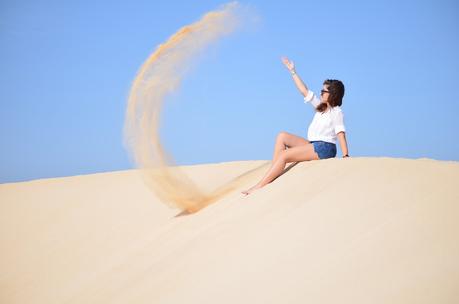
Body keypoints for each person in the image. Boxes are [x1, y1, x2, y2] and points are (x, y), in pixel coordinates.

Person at [241, 57, 350, 196]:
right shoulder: (321, 107)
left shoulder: (336, 112)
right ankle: (273, 172)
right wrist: (293, 71)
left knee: (284, 155)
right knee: (282, 136)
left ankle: (260, 186)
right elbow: (304, 91)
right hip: (314, 145)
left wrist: (346, 155)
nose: (321, 93)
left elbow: (340, 133)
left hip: (325, 148)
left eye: (324, 91)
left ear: (333, 94)